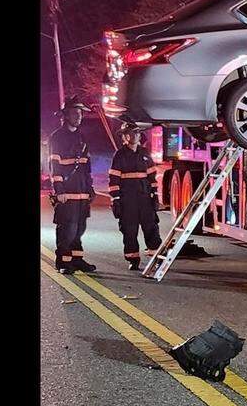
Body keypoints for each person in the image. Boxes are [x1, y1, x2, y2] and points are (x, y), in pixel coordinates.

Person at [49, 97, 97, 274]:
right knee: (66, 228)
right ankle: (63, 261)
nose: (79, 116)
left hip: (82, 191)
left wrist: (90, 188)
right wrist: (59, 190)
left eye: (81, 113)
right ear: (65, 115)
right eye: (75, 113)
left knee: (79, 228)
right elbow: (55, 165)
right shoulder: (57, 137)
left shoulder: (81, 137)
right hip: (67, 192)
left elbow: (86, 166)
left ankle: (77, 260)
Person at [108, 125, 163, 271]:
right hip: (128, 201)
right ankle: (133, 259)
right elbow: (114, 180)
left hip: (145, 199)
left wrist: (155, 196)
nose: (136, 136)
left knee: (151, 228)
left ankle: (156, 258)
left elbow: (152, 176)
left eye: (138, 133)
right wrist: (116, 200)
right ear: (125, 137)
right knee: (129, 231)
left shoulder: (144, 153)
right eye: (133, 133)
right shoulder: (120, 155)